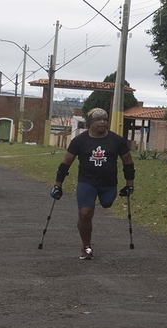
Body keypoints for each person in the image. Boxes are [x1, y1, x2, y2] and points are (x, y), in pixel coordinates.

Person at [50, 108, 135, 260]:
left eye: (105, 119)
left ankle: (105, 201)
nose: (103, 122)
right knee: (85, 213)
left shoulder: (117, 140)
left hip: (108, 184)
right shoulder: (79, 141)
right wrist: (58, 185)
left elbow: (128, 162)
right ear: (90, 123)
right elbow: (65, 164)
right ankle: (86, 246)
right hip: (87, 183)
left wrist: (130, 185)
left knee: (107, 203)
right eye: (98, 119)